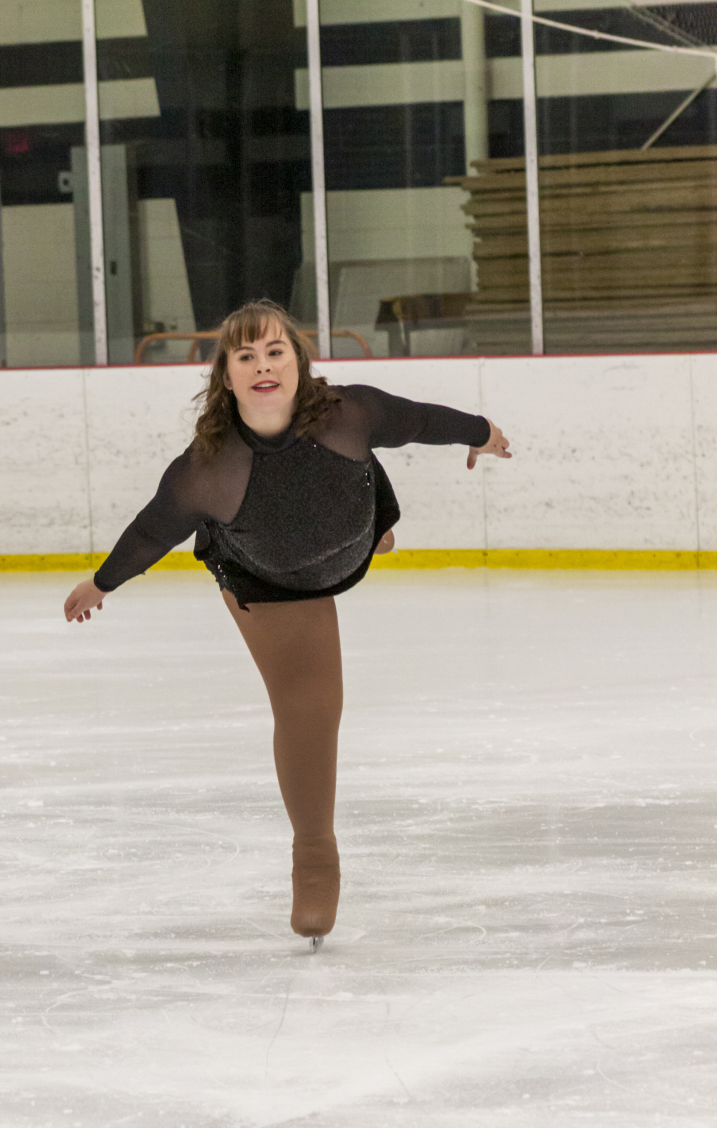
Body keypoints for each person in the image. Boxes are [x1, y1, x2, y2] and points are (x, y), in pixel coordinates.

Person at [65, 299, 511, 948]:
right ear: (225, 376)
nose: (262, 365)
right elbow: (152, 532)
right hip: (267, 578)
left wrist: (481, 431)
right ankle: (314, 852)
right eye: (245, 356)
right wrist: (100, 583)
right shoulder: (209, 470)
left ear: (299, 364)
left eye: (275, 352)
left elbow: (418, 419)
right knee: (309, 709)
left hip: (350, 528)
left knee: (349, 492)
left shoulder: (349, 415)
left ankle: (374, 535)